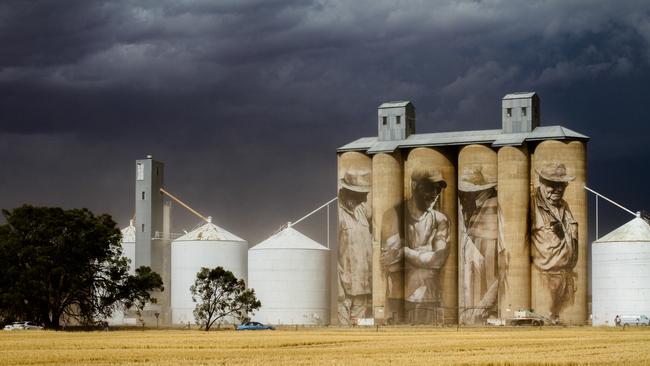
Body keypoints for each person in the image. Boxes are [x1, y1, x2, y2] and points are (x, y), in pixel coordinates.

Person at [402, 167, 450, 324]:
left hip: (431, 295)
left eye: (437, 189)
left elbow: (438, 259)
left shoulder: (440, 219)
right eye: (430, 188)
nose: (435, 194)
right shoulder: (398, 215)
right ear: (414, 186)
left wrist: (405, 252)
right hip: (406, 296)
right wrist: (424, 254)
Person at [532, 162, 578, 323]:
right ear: (541, 182)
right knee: (544, 322)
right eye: (553, 184)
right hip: (545, 279)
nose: (558, 189)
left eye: (562, 184)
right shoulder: (532, 206)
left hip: (567, 277)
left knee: (565, 324)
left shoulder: (564, 206)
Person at [458, 167, 500, 325]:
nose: (461, 197)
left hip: (486, 302)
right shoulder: (472, 209)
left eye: (464, 192)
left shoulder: (492, 206)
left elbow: (504, 266)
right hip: (476, 300)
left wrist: (485, 304)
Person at [337, 168, 372, 325]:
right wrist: (338, 288)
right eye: (360, 196)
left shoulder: (361, 212)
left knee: (358, 331)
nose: (363, 200)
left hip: (362, 290)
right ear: (347, 192)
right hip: (344, 291)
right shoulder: (337, 214)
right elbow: (332, 255)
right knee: (342, 332)